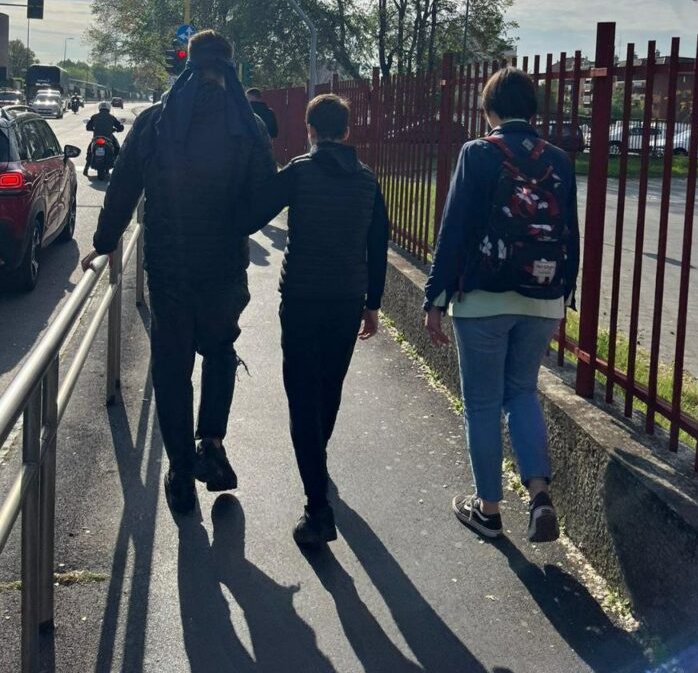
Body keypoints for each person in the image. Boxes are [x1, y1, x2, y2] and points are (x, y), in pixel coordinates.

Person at [82, 30, 276, 514]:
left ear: (189, 63)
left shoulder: (155, 121)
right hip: (224, 269)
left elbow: (123, 188)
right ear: (230, 66)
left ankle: (179, 472)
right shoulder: (248, 125)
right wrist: (232, 226)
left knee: (171, 369)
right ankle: (211, 443)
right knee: (219, 351)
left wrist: (104, 245)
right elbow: (264, 201)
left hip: (169, 269)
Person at [423, 68, 580, 543]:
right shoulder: (558, 158)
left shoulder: (477, 153)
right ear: (532, 110)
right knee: (522, 392)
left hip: (484, 298)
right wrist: (563, 292)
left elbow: (455, 228)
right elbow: (571, 229)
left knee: (484, 403)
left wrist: (436, 295)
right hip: (543, 296)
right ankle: (538, 495)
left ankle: (489, 509)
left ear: (488, 109)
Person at [247, 94, 389, 547]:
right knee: (329, 388)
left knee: (301, 395)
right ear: (347, 131)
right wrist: (373, 303)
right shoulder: (368, 180)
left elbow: (253, 214)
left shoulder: (299, 171)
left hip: (304, 296)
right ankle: (318, 463)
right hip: (347, 298)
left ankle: (317, 506)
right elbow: (378, 243)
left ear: (310, 129)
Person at [84, 101, 124, 175]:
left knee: (89, 150)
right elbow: (120, 127)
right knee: (117, 148)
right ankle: (118, 168)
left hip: (96, 138)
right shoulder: (112, 117)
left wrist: (93, 129)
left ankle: (86, 167)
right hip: (109, 138)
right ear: (109, 108)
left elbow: (88, 127)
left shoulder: (94, 116)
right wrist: (117, 129)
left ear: (99, 108)